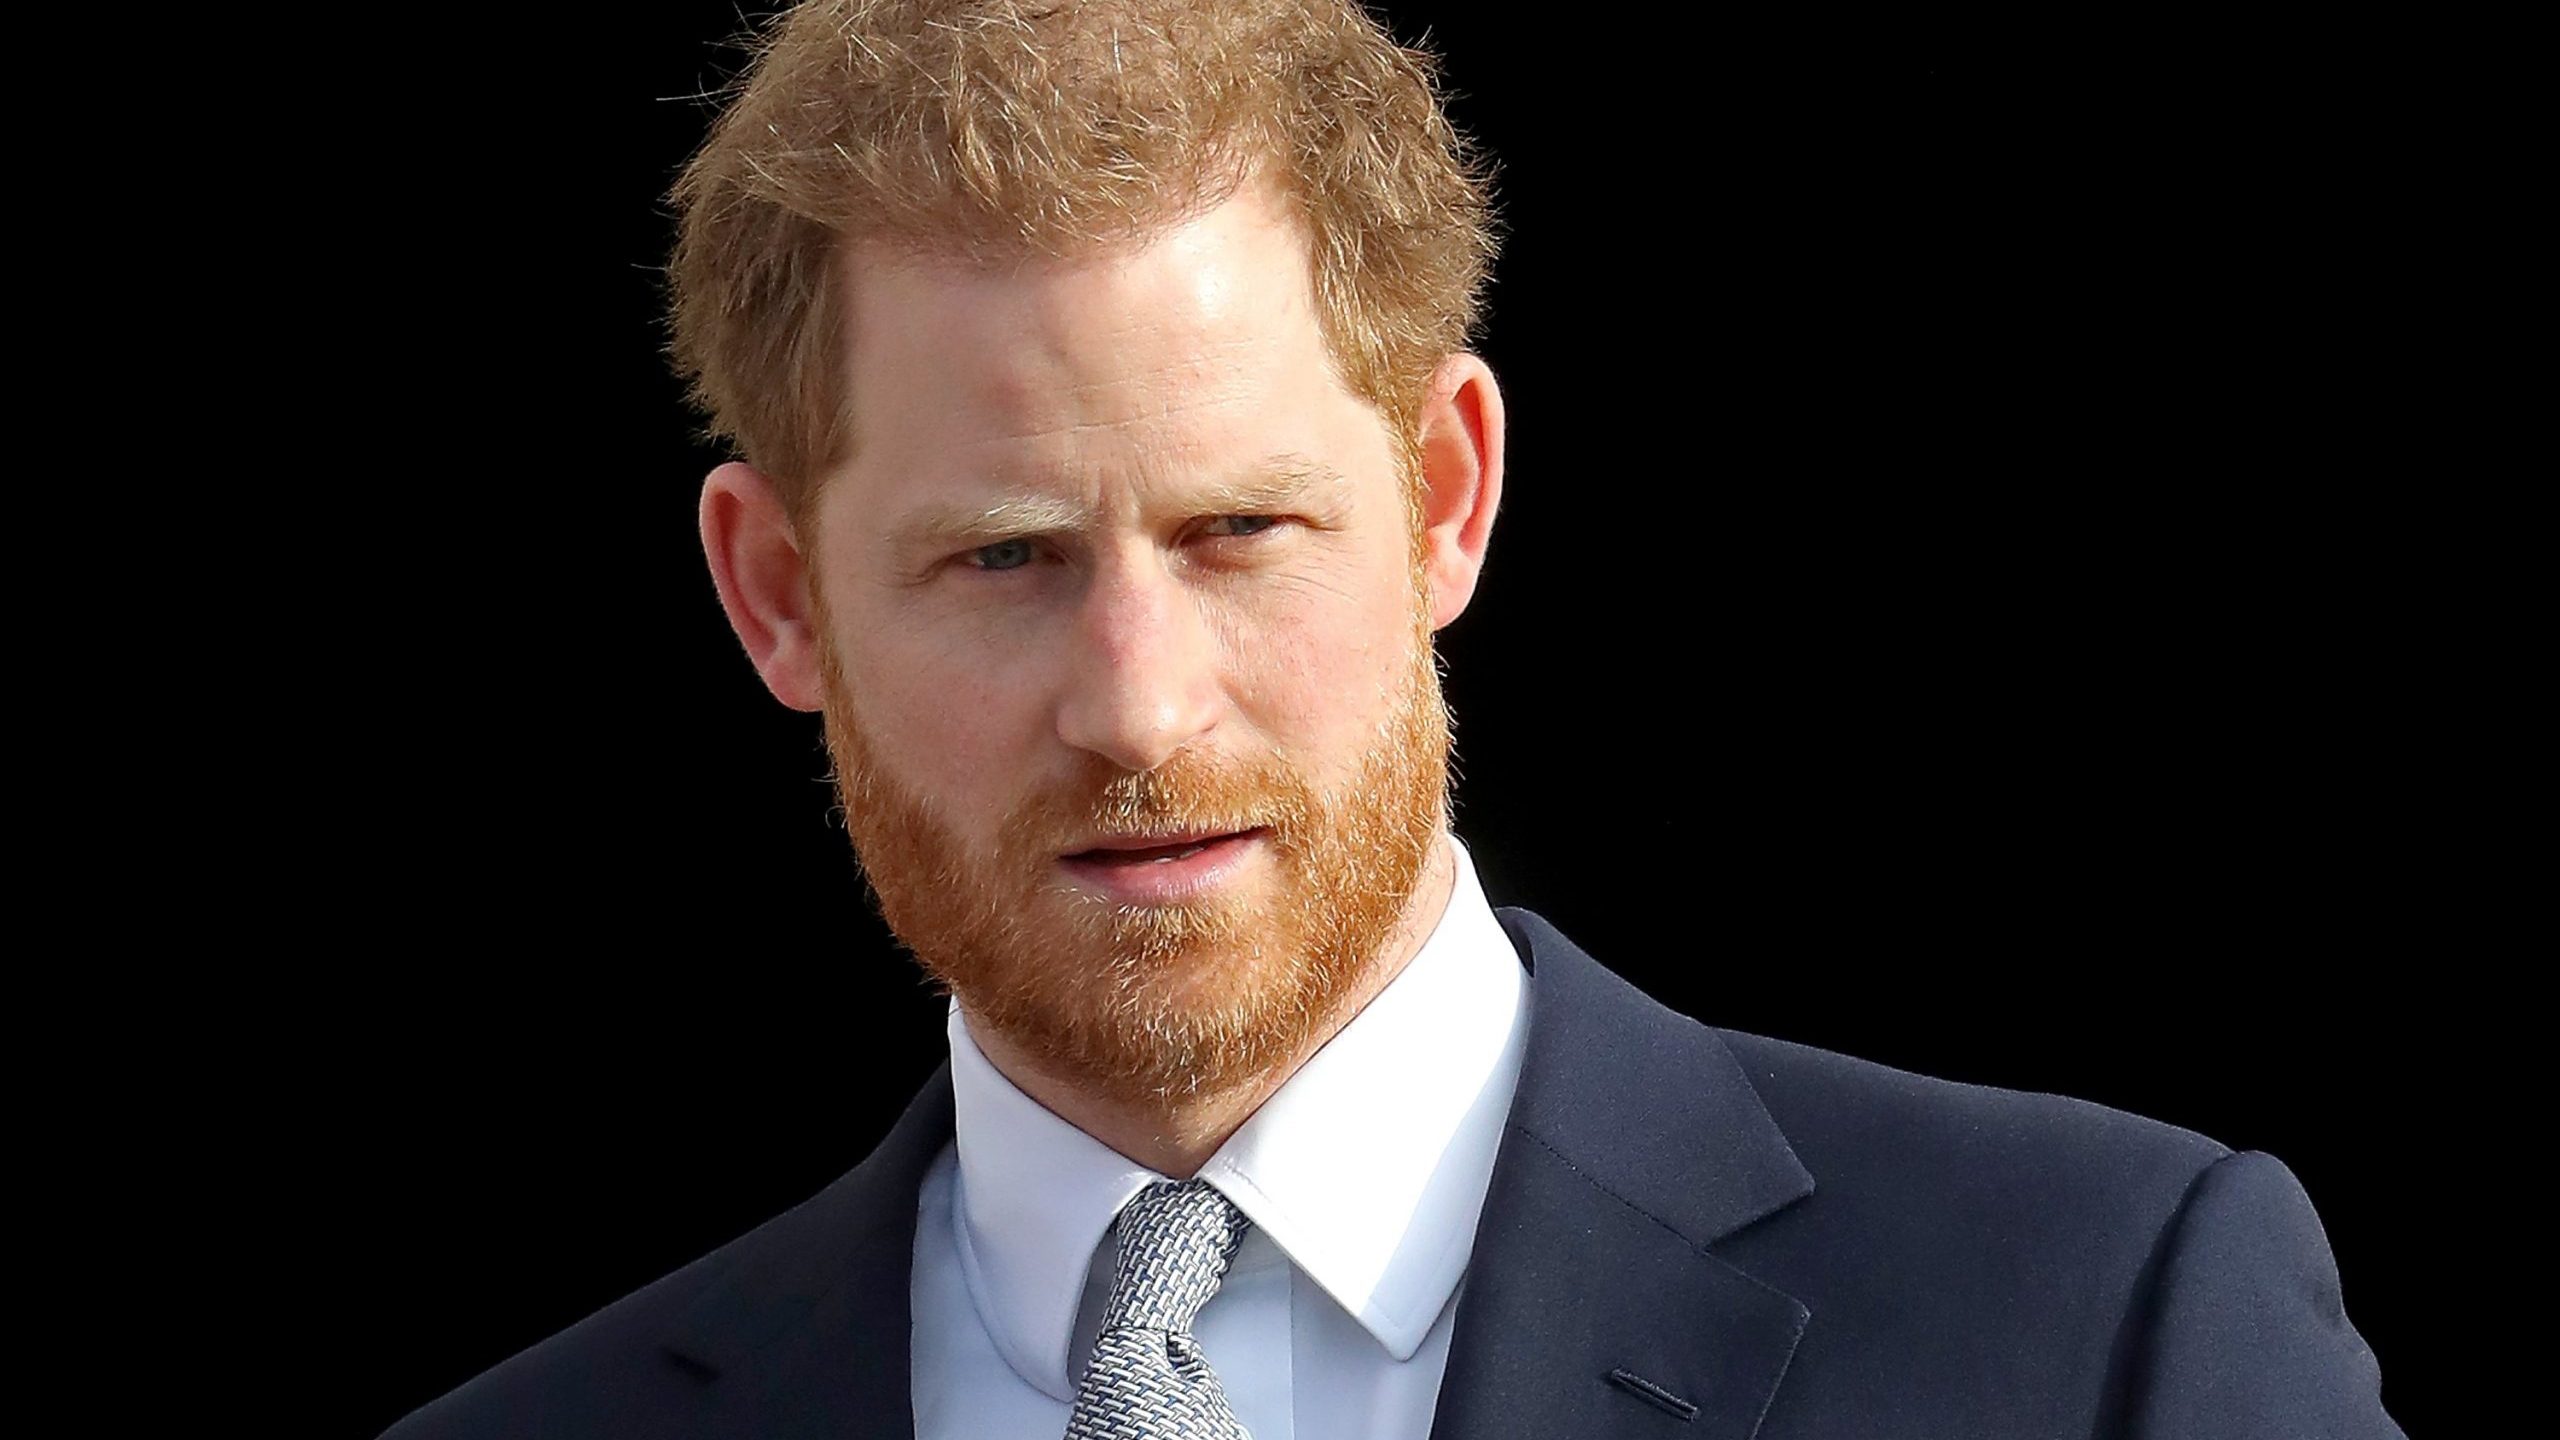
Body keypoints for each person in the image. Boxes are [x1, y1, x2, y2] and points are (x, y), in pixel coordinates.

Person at [386, 2, 2401, 1436]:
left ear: (1443, 495)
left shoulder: (2095, 1331)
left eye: (1238, 528)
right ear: (772, 594)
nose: (1137, 703)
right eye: (1001, 561)